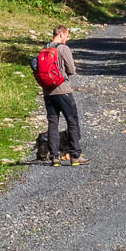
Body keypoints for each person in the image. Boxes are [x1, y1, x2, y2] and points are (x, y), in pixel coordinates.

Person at [32, 25, 84, 165]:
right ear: (61, 35)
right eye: (66, 36)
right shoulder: (63, 49)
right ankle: (75, 156)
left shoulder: (44, 49)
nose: (67, 39)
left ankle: (54, 157)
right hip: (63, 90)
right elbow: (71, 70)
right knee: (72, 121)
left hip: (48, 91)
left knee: (53, 122)